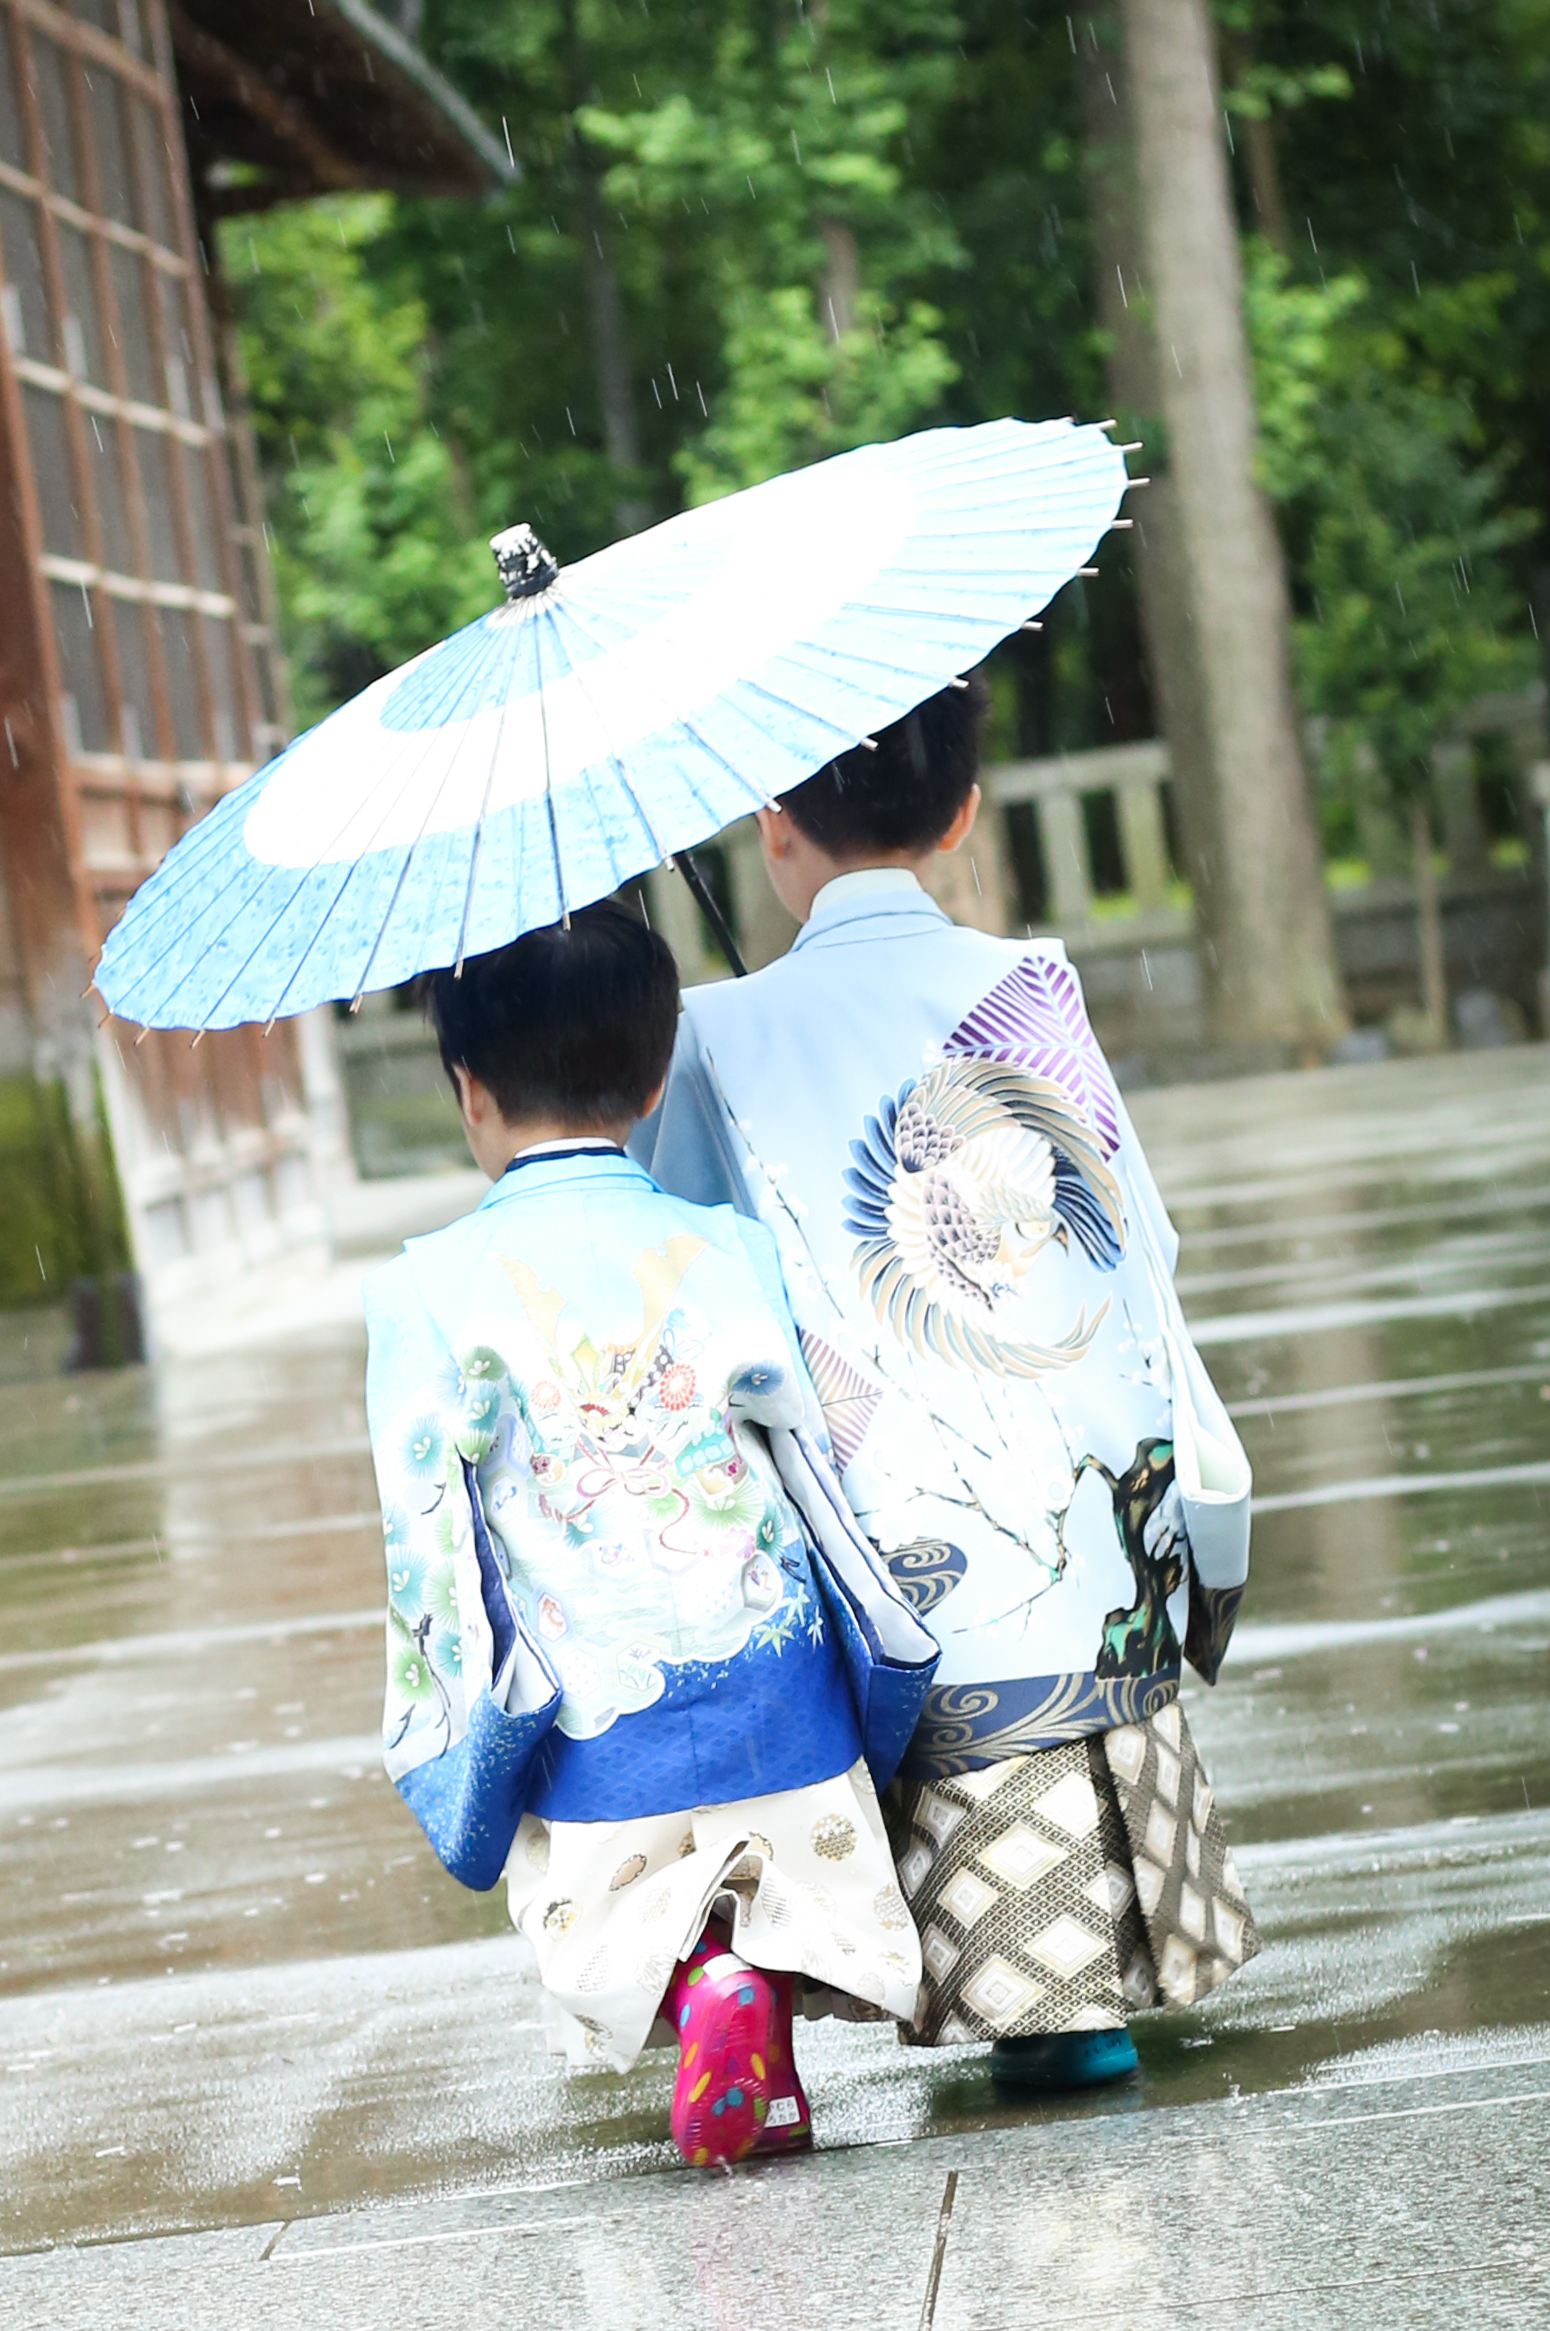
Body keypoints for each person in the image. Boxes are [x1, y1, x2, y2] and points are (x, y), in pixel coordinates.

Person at [631, 677, 1260, 2095]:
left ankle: (1008, 1989)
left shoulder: (713, 1034)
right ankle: (1087, 1981)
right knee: (1064, 1635)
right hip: (1077, 1493)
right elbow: (1133, 1237)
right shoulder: (1028, 982)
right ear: (962, 813)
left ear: (768, 825)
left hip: (898, 1515)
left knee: (932, 1639)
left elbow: (695, 1266)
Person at [367, 897, 932, 2170]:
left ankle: (698, 2008)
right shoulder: (722, 1244)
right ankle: (758, 2040)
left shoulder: (419, 1288)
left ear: (468, 1089)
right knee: (781, 1878)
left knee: (621, 1915)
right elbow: (810, 1438)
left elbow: (426, 1527)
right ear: (656, 1066)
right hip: (765, 1673)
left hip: (592, 1707)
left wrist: (451, 1704)